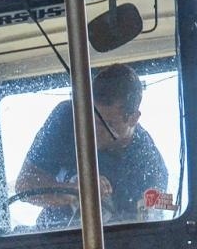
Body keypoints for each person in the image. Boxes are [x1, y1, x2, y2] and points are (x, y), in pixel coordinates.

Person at [13, 63, 169, 228]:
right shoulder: (68, 118)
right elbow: (24, 185)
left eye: (105, 124)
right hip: (52, 240)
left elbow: (160, 213)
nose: (92, 131)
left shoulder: (152, 166)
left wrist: (149, 210)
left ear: (133, 118)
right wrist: (74, 190)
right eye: (89, 119)